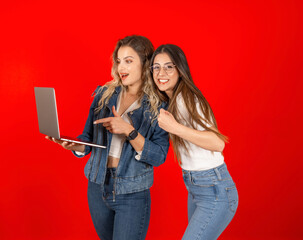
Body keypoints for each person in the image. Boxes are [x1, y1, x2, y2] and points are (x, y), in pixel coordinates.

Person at [46, 35, 169, 240]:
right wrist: (74, 145)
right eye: (119, 61)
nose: (122, 67)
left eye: (129, 61)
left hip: (132, 193)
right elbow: (87, 137)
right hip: (97, 186)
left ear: (146, 64)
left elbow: (159, 156)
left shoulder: (158, 105)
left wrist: (129, 131)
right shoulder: (104, 93)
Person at [150, 44, 238, 240]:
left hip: (215, 190)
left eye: (168, 66)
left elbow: (217, 143)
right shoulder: (172, 101)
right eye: (156, 67)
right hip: (196, 187)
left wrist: (174, 127)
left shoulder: (188, 100)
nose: (161, 73)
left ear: (180, 70)